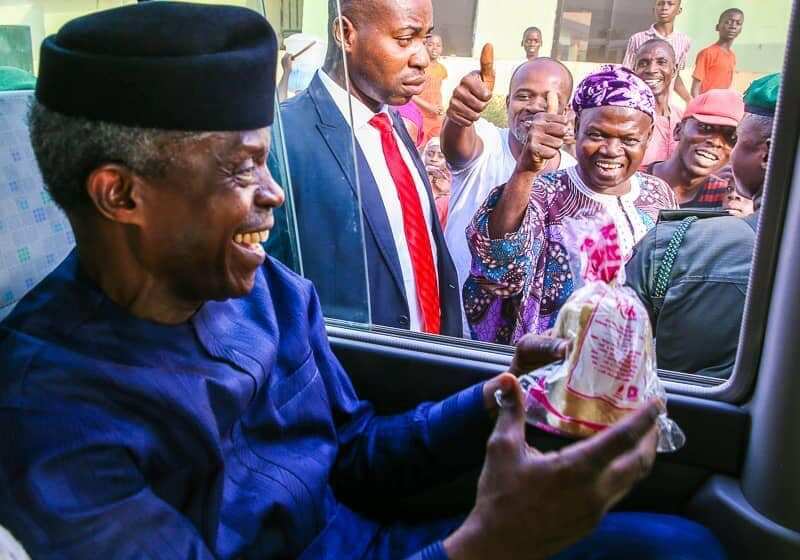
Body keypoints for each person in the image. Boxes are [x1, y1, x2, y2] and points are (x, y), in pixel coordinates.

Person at [0, 5, 730, 559]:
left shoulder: (274, 294)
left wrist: (498, 394)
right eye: (238, 168)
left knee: (680, 544)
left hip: (375, 538)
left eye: (264, 161)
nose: (273, 194)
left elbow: (358, 455)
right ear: (120, 195)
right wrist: (485, 544)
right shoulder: (49, 413)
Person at [272, 0, 462, 336]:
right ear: (345, 33)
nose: (422, 59)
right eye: (405, 40)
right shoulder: (283, 138)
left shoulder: (394, 125)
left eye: (425, 39)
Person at [464, 65, 678, 345]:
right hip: (554, 366)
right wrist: (526, 170)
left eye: (629, 139)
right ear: (576, 128)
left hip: (633, 366)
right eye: (597, 135)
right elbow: (496, 263)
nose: (611, 150)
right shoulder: (545, 192)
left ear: (648, 138)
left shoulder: (658, 195)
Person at [626, 73, 779, 379]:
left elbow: (610, 353)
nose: (724, 148)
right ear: (680, 130)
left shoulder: (675, 244)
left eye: (735, 139)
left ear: (769, 153)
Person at [441, 57, 577, 335]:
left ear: (567, 111)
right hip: (456, 327)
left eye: (548, 98)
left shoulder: (571, 175)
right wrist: (459, 117)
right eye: (523, 96)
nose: (535, 106)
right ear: (506, 104)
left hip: (526, 340)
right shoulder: (487, 143)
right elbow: (456, 146)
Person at [647, 89, 744, 208]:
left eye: (731, 138)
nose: (716, 142)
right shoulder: (633, 183)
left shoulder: (727, 199)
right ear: (678, 130)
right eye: (705, 127)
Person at [623, 0, 692, 103]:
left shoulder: (684, 41)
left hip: (664, 106)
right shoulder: (637, 39)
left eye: (670, 3)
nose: (664, 7)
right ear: (653, 10)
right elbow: (626, 73)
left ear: (679, 10)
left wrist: (689, 100)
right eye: (660, 3)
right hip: (639, 103)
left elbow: (675, 75)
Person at [632, 39, 683, 168]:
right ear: (634, 69)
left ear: (675, 69)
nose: (651, 69)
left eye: (661, 62)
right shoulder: (628, 118)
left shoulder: (683, 118)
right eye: (643, 63)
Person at [691, 9, 745, 97]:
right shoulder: (707, 53)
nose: (733, 26)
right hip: (706, 105)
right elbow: (695, 89)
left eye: (738, 23)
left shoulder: (732, 56)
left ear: (740, 29)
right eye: (728, 22)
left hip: (721, 105)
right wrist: (698, 107)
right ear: (717, 27)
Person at [413, 33, 448, 142]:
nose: (435, 48)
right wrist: (428, 106)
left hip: (434, 116)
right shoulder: (418, 66)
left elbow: (438, 91)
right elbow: (411, 95)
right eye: (430, 44)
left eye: (438, 45)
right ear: (424, 46)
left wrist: (440, 106)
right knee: (418, 145)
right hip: (418, 114)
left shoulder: (441, 69)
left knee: (435, 145)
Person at [422, 136, 452, 228]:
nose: (434, 159)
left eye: (441, 156)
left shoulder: (453, 182)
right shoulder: (415, 175)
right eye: (430, 154)